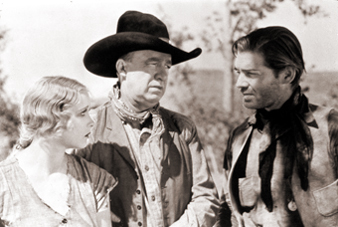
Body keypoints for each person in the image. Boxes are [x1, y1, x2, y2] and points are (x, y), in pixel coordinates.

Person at [74, 10, 220, 227]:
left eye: (167, 65)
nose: (162, 73)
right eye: (153, 63)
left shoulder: (182, 128)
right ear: (122, 68)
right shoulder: (88, 128)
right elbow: (73, 205)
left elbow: (205, 196)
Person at [219, 26, 338, 226]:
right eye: (238, 72)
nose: (239, 83)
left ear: (287, 75)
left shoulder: (330, 128)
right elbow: (228, 212)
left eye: (251, 74)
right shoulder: (240, 139)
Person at [0, 76, 117, 227]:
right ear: (52, 118)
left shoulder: (94, 179)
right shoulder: (3, 182)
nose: (91, 121)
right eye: (82, 113)